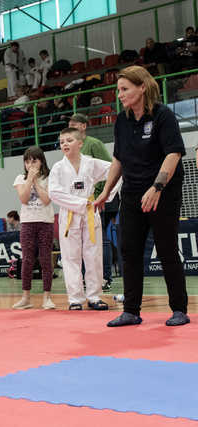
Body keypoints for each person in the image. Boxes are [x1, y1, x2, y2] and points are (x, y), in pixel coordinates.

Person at [95, 66, 190, 327]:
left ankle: (179, 309)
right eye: (118, 90)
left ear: (142, 87)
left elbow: (174, 154)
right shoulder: (122, 120)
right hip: (132, 192)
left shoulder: (163, 116)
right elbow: (118, 159)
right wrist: (106, 191)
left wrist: (157, 188)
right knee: (129, 251)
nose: (120, 95)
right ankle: (131, 310)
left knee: (167, 249)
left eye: (125, 89)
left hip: (163, 192)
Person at [49, 128, 115, 311]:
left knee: (93, 255)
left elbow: (115, 170)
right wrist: (80, 203)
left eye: (69, 140)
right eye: (62, 141)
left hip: (91, 212)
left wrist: (106, 194)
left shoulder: (91, 163)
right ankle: (75, 299)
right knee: (71, 258)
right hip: (69, 214)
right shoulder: (58, 168)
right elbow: (54, 193)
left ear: (80, 143)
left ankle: (94, 296)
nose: (65, 144)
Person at [68, 113, 115, 290]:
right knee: (84, 240)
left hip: (99, 198)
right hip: (80, 202)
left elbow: (110, 169)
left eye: (75, 124)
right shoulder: (71, 148)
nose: (72, 126)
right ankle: (89, 278)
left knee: (100, 238)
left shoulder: (93, 144)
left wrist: (101, 193)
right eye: (70, 124)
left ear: (84, 126)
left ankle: (105, 278)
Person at [12, 147, 55, 310]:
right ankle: (26, 297)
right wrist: (29, 178)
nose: (31, 164)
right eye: (27, 160)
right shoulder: (19, 178)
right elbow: (23, 199)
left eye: (34, 160)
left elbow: (46, 200)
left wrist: (36, 181)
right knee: (27, 259)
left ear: (41, 161)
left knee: (45, 259)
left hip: (45, 222)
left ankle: (47, 297)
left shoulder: (49, 177)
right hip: (28, 222)